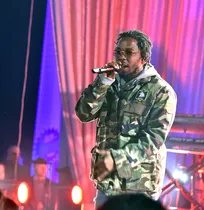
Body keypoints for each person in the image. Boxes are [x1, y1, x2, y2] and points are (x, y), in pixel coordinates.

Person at [75, 30, 177, 208]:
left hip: (138, 189)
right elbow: (84, 114)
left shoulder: (161, 91)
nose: (122, 57)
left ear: (143, 58)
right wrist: (102, 84)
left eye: (129, 53)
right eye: (118, 52)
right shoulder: (110, 83)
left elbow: (154, 140)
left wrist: (115, 159)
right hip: (107, 187)